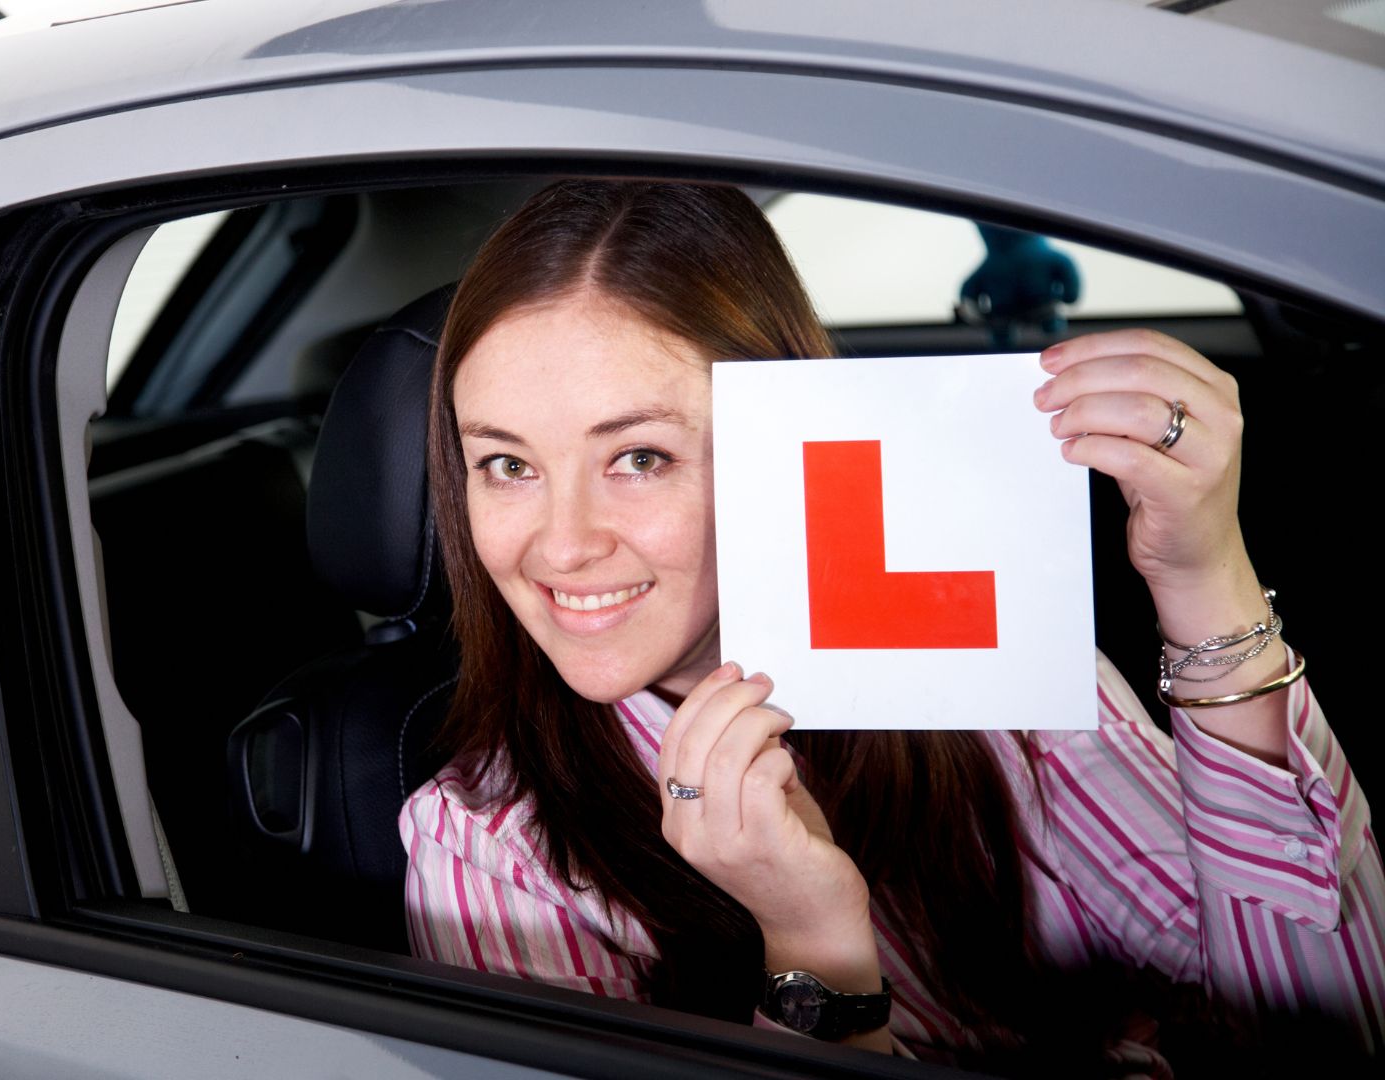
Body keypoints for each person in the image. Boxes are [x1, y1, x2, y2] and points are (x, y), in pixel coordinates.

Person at [399, 180, 1382, 1072]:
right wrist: (815, 949)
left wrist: (1204, 573)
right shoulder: (485, 846)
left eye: (640, 459)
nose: (561, 548)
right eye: (509, 465)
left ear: (790, 436)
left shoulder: (991, 669)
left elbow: (1318, 1032)